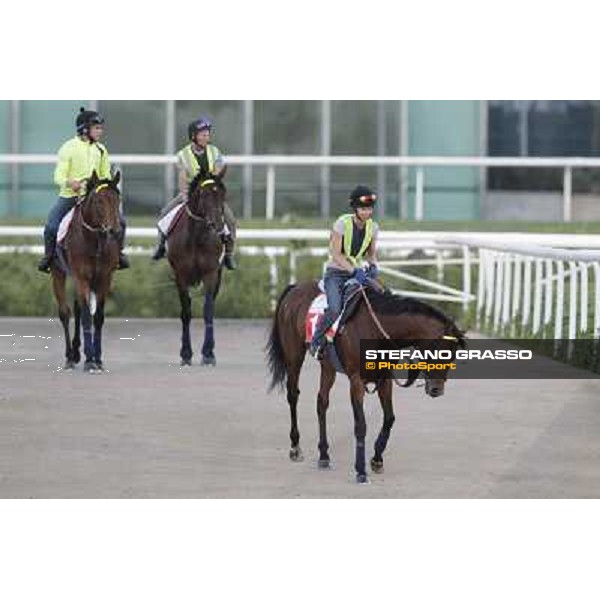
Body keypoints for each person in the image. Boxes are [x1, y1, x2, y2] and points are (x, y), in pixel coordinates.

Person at [37, 107, 129, 273]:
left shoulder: (101, 150)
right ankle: (48, 258)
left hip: (93, 198)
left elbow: (105, 175)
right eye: (97, 128)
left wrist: (104, 188)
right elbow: (58, 175)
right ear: (84, 129)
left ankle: (119, 255)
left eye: (100, 128)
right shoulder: (68, 148)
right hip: (69, 197)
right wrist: (69, 182)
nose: (100, 131)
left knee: (121, 222)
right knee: (51, 226)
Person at [151, 116, 237, 270]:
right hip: (191, 193)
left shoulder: (214, 151)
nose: (206, 137)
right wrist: (184, 194)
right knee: (164, 213)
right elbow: (183, 176)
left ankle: (229, 254)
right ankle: (161, 246)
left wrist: (213, 185)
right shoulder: (183, 155)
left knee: (230, 220)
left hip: (210, 194)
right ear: (193, 136)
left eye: (208, 134)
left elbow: (217, 172)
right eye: (203, 134)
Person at [309, 185, 380, 360]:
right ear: (355, 209)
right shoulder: (341, 224)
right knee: (334, 309)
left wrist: (374, 266)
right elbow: (336, 254)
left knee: (382, 296)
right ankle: (316, 341)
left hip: (357, 273)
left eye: (369, 209)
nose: (367, 212)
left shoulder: (374, 228)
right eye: (363, 209)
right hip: (336, 274)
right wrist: (354, 271)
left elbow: (371, 254)